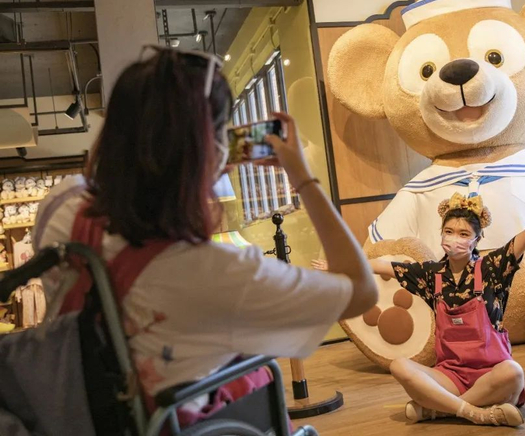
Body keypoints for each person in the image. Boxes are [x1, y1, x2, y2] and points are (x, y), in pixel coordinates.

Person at [33, 46, 377, 427]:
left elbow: (122, 196)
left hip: (83, 415)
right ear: (206, 152)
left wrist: (196, 165)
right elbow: (362, 290)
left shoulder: (60, 206)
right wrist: (303, 178)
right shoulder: (219, 274)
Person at [313, 180, 525, 427]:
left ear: (476, 240)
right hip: (450, 376)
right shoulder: (431, 275)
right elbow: (381, 266)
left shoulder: (493, 268)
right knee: (399, 365)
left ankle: (439, 410)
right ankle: (478, 413)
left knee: (514, 373)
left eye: (463, 234)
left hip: (492, 375)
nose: (454, 238)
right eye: (449, 231)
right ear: (441, 234)